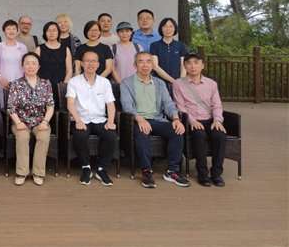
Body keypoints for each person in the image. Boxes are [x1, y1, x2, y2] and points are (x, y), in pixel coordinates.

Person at [120, 51, 190, 188]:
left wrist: (176, 119)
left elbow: (168, 104)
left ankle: (172, 171)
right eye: (141, 61)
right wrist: (140, 119)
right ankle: (147, 171)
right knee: (142, 133)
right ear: (135, 65)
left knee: (177, 131)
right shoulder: (126, 83)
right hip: (138, 120)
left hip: (158, 120)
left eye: (148, 62)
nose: (145, 65)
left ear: (152, 65)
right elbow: (127, 105)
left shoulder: (159, 83)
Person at [173, 52, 226, 187]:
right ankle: (202, 173)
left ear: (202, 65)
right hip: (190, 121)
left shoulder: (211, 84)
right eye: (189, 63)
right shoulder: (178, 84)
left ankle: (216, 173)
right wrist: (192, 121)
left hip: (209, 119)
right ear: (184, 66)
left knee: (220, 135)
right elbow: (180, 106)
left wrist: (217, 121)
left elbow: (217, 105)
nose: (193, 66)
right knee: (199, 135)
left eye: (196, 63)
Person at [66, 51, 117, 186]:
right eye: (87, 61)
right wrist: (78, 120)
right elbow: (70, 104)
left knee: (111, 135)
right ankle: (86, 167)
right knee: (80, 135)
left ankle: (102, 169)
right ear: (82, 64)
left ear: (98, 64)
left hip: (99, 119)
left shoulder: (105, 82)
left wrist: (110, 121)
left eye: (93, 61)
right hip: (81, 119)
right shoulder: (74, 81)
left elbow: (110, 104)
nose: (90, 64)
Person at [7, 52, 54, 186]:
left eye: (34, 63)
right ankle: (22, 172)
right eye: (27, 63)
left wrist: (45, 122)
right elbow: (11, 107)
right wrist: (18, 122)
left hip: (40, 121)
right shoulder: (16, 84)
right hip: (21, 121)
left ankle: (38, 173)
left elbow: (50, 106)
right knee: (22, 136)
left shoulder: (46, 83)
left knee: (43, 137)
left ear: (38, 66)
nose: (30, 66)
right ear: (22, 66)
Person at [35, 22, 73, 109]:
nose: (51, 33)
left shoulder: (65, 49)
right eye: (48, 31)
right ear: (45, 33)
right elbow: (34, 70)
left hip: (60, 85)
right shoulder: (39, 49)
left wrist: (64, 85)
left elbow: (69, 70)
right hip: (43, 86)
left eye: (54, 30)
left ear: (58, 32)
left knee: (59, 110)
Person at [0, 20, 28, 110]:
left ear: (17, 31)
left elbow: (26, 65)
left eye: (14, 29)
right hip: (2, 82)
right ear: (4, 31)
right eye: (8, 29)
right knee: (2, 107)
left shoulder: (22, 47)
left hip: (19, 83)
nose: (11, 31)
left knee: (18, 108)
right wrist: (0, 78)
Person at [150, 18, 188, 85]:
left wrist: (181, 82)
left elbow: (184, 65)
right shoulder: (154, 45)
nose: (168, 29)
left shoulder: (181, 45)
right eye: (165, 26)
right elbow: (155, 66)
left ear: (175, 29)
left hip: (177, 82)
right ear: (161, 28)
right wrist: (173, 81)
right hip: (159, 83)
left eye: (171, 26)